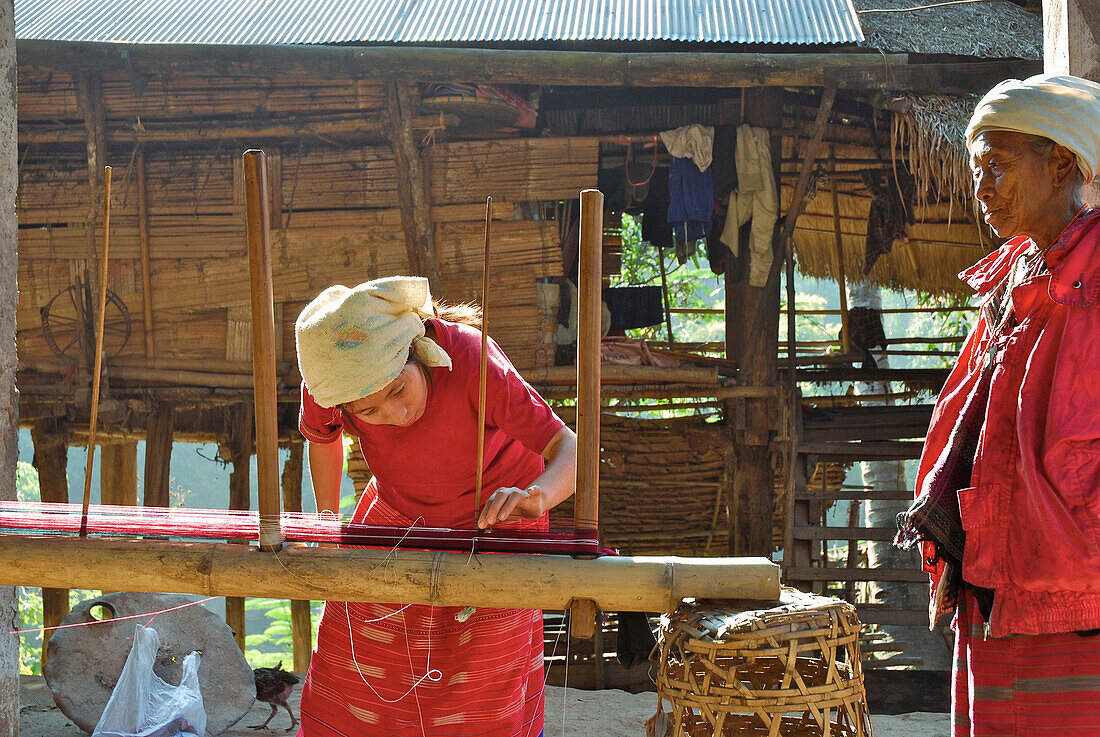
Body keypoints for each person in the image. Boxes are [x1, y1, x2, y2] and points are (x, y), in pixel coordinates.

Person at [896, 73, 1100, 736]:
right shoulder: (1013, 278)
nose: (980, 189)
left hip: (1075, 596)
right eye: (976, 169)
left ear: (1064, 162)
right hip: (997, 583)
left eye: (998, 167)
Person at [292, 276, 577, 737]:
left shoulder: (470, 360)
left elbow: (569, 448)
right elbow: (322, 439)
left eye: (398, 392)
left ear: (418, 350)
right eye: (369, 413)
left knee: (481, 679)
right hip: (397, 514)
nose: (395, 416)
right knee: (361, 653)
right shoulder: (333, 376)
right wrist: (327, 523)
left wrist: (535, 497)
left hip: (500, 517)